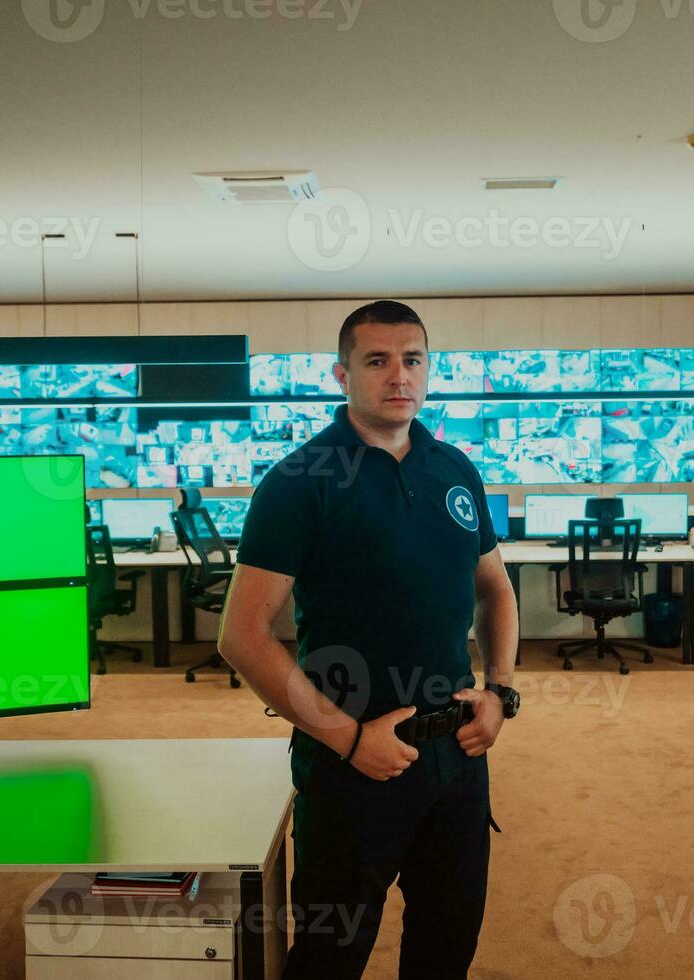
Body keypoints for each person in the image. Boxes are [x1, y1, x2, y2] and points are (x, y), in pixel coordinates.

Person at [217, 300, 520, 979]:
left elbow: (495, 589)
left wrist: (500, 691)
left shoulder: (455, 468)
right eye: (376, 361)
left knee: (446, 949)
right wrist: (348, 739)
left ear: (429, 369)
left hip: (458, 757)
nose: (398, 376)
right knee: (330, 957)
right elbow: (241, 635)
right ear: (341, 374)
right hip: (349, 763)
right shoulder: (299, 481)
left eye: (412, 360)